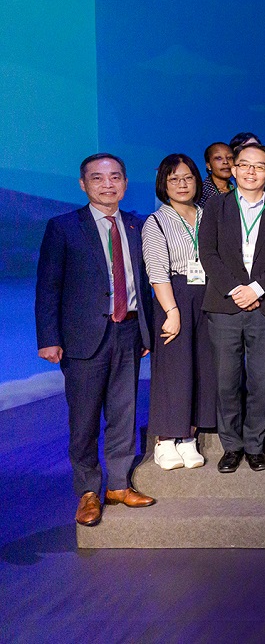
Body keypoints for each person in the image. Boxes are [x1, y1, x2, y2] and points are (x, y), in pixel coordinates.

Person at [36, 153, 156, 527]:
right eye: (98, 178)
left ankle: (118, 484)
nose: (108, 184)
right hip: (82, 338)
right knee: (85, 419)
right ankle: (89, 491)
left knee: (124, 413)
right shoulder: (63, 227)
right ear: (83, 184)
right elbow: (48, 287)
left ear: (124, 182)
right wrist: (48, 338)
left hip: (129, 332)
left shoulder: (137, 226)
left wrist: (148, 329)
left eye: (115, 177)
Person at [199, 143, 265, 473]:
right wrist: (235, 289)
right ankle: (231, 446)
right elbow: (207, 253)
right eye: (244, 165)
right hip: (225, 306)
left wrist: (256, 288)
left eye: (259, 166)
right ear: (234, 170)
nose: (251, 171)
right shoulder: (216, 207)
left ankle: (255, 445)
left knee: (262, 380)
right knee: (226, 380)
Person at [142, 154, 213, 471]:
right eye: (174, 179)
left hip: (209, 295)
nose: (182, 184)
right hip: (175, 295)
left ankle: (188, 437)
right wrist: (171, 310)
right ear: (163, 184)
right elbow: (156, 271)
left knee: (202, 366)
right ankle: (165, 440)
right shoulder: (156, 221)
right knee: (174, 368)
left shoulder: (208, 215)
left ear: (197, 181)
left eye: (187, 177)